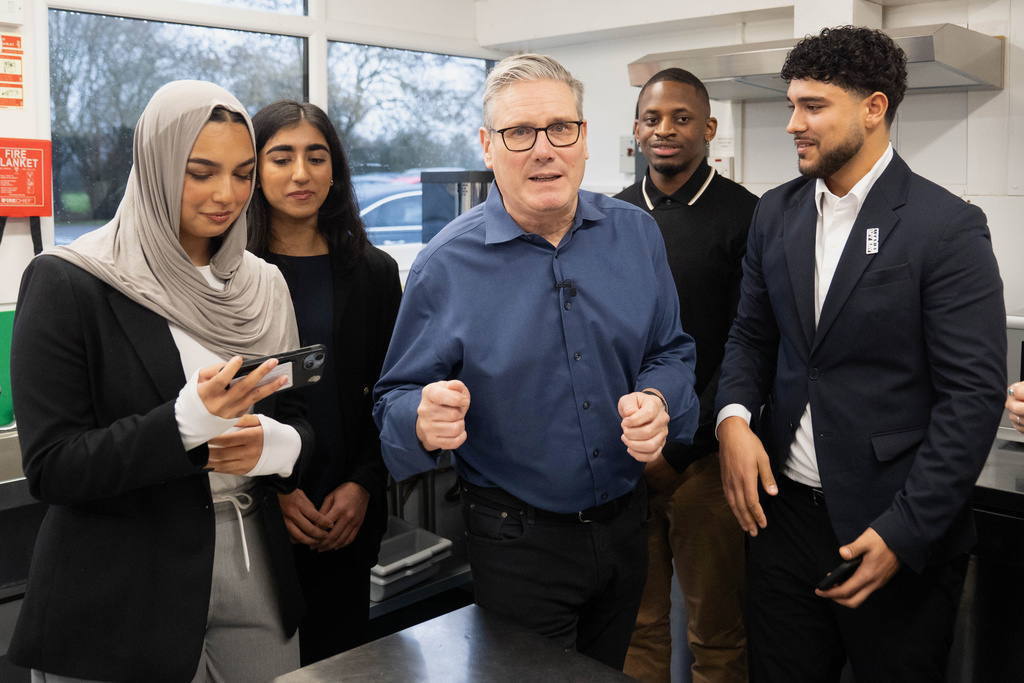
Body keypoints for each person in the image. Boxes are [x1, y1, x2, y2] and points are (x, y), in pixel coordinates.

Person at [372, 53, 700, 671]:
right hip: (516, 539)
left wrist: (659, 400)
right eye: (519, 133)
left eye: (559, 129)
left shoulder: (637, 235)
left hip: (628, 524)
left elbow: (671, 351)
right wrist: (420, 416)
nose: (543, 149)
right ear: (488, 147)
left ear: (583, 138)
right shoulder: (444, 267)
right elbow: (393, 399)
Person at [714, 26, 1006, 682]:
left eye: (813, 106)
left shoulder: (945, 228)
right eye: (791, 104)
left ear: (873, 108)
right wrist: (732, 417)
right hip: (782, 519)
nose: (793, 123)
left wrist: (905, 531)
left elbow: (974, 397)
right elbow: (751, 336)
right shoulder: (775, 213)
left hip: (893, 525)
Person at [8, 81, 313, 682]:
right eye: (200, 172)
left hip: (255, 567)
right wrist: (187, 424)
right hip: (120, 585)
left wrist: (278, 447)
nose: (226, 195)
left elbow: (300, 416)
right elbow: (52, 467)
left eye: (243, 173)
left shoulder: (262, 284)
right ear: (155, 166)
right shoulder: (73, 281)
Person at [247, 100, 401, 665]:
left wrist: (362, 484)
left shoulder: (372, 271)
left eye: (316, 156)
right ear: (255, 169)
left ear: (335, 168)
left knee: (341, 662)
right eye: (280, 157)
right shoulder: (226, 274)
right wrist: (277, 494)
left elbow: (391, 391)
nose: (301, 174)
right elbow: (222, 403)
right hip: (257, 517)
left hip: (347, 513)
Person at [615, 68, 753, 683]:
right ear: (636, 129)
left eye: (681, 118)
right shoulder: (608, 218)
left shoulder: (747, 217)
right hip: (625, 460)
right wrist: (642, 448)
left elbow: (748, 344)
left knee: (716, 636)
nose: (664, 130)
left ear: (709, 129)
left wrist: (679, 445)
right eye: (652, 118)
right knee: (636, 628)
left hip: (707, 465)